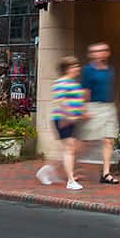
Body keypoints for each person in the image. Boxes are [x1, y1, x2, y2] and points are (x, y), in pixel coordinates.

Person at [36, 55, 85, 190]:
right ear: (68, 68)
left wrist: (82, 113)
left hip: (71, 120)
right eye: (74, 66)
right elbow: (60, 101)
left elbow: (77, 102)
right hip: (63, 119)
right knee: (69, 149)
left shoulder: (74, 83)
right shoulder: (61, 82)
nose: (77, 68)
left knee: (69, 148)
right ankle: (70, 181)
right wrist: (68, 116)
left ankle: (46, 171)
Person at [80, 42, 120, 184]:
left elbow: (110, 89)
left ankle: (106, 173)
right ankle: (73, 168)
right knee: (86, 141)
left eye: (103, 50)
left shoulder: (110, 70)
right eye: (96, 51)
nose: (100, 53)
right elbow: (85, 90)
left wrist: (114, 104)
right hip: (93, 107)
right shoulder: (87, 70)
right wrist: (84, 109)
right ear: (91, 55)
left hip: (108, 107)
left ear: (107, 53)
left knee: (108, 140)